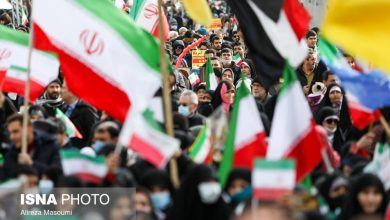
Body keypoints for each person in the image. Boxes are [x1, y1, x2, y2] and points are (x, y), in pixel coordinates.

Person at [3, 113, 61, 178]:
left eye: (15, 131)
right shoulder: (10, 152)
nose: (11, 137)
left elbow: (57, 175)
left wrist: (31, 164)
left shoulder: (51, 147)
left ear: (30, 129)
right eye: (10, 133)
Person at [61, 81, 98, 148]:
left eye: (63, 88)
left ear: (71, 92)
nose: (60, 90)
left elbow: (92, 134)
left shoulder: (86, 110)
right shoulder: (63, 108)